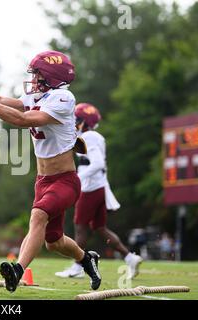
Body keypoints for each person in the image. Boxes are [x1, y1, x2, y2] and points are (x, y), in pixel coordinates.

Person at [0, 50, 102, 292]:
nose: (33, 79)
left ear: (52, 77)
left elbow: (22, 119)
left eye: (38, 75)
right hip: (43, 181)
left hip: (65, 181)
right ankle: (87, 259)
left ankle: (17, 271)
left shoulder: (63, 98)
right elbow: (7, 101)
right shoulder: (41, 95)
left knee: (38, 215)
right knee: (54, 242)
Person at [55, 103, 143, 280]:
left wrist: (78, 177)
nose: (74, 122)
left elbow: (97, 163)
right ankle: (130, 257)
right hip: (99, 186)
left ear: (84, 122)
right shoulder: (92, 135)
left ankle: (78, 266)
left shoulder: (89, 136)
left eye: (77, 119)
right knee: (99, 227)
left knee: (80, 227)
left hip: (90, 187)